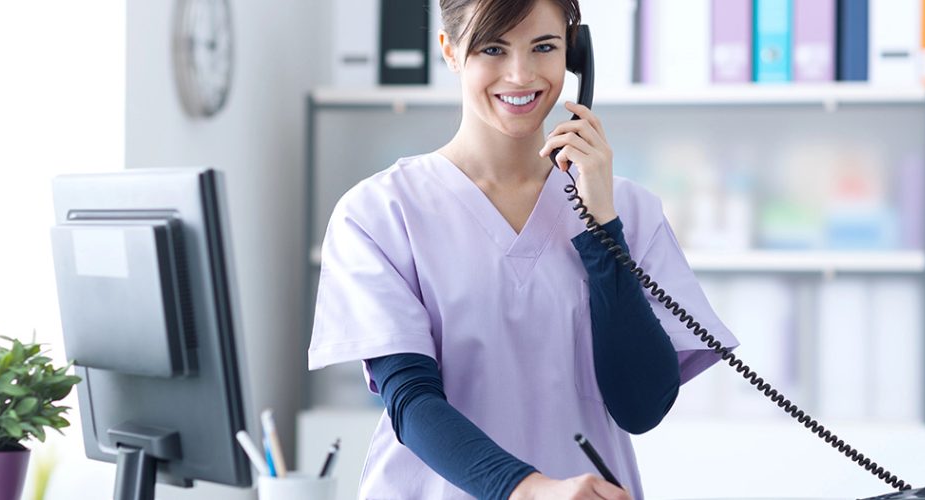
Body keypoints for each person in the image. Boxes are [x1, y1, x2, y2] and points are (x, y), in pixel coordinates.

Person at [308, 0, 739, 498]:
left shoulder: (628, 211)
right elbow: (410, 400)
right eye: (493, 48)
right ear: (450, 51)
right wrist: (530, 490)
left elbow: (640, 407)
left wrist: (602, 227)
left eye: (544, 47)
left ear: (574, 53)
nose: (520, 74)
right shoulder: (380, 212)